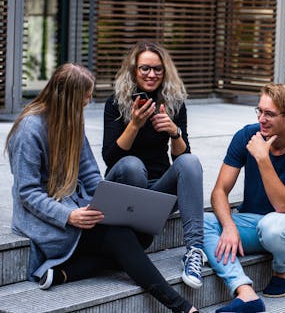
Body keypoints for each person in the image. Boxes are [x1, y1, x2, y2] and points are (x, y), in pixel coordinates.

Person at [5, 63, 199, 313]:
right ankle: (181, 306)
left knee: (141, 236)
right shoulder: (29, 129)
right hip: (48, 219)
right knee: (121, 238)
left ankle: (66, 272)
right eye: (85, 96)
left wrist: (108, 203)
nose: (87, 102)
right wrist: (69, 216)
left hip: (79, 208)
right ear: (68, 97)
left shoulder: (72, 121)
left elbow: (90, 174)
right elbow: (28, 193)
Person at [203, 83, 285, 312]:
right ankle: (244, 292)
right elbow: (219, 191)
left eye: (269, 114)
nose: (261, 119)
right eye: (259, 111)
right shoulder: (247, 135)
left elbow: (283, 204)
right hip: (250, 221)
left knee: (273, 226)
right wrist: (228, 226)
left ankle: (283, 269)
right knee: (201, 222)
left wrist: (263, 158)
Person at [102, 41, 206, 289]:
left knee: (190, 162)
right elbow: (111, 158)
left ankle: (194, 251)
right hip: (124, 188)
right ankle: (133, 241)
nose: (151, 74)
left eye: (158, 69)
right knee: (132, 166)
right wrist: (135, 124)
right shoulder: (116, 103)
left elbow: (183, 159)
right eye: (145, 68)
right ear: (134, 70)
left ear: (165, 71)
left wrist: (174, 132)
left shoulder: (174, 102)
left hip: (158, 192)